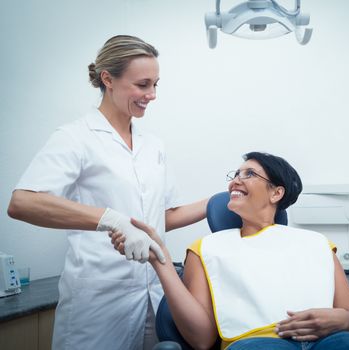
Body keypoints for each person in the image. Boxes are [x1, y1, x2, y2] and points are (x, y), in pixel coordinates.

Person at [7, 35, 207, 350]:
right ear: (107, 79)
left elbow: (161, 217)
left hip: (152, 297)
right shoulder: (75, 137)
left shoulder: (152, 145)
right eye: (142, 85)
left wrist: (217, 203)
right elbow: (23, 202)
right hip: (98, 303)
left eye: (156, 84)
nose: (152, 95)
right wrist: (111, 219)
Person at [111, 152, 349, 350]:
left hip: (332, 340)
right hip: (258, 343)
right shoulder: (206, 249)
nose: (235, 181)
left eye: (249, 174)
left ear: (276, 193)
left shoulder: (316, 243)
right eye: (235, 175)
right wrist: (161, 262)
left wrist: (340, 318)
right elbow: (201, 340)